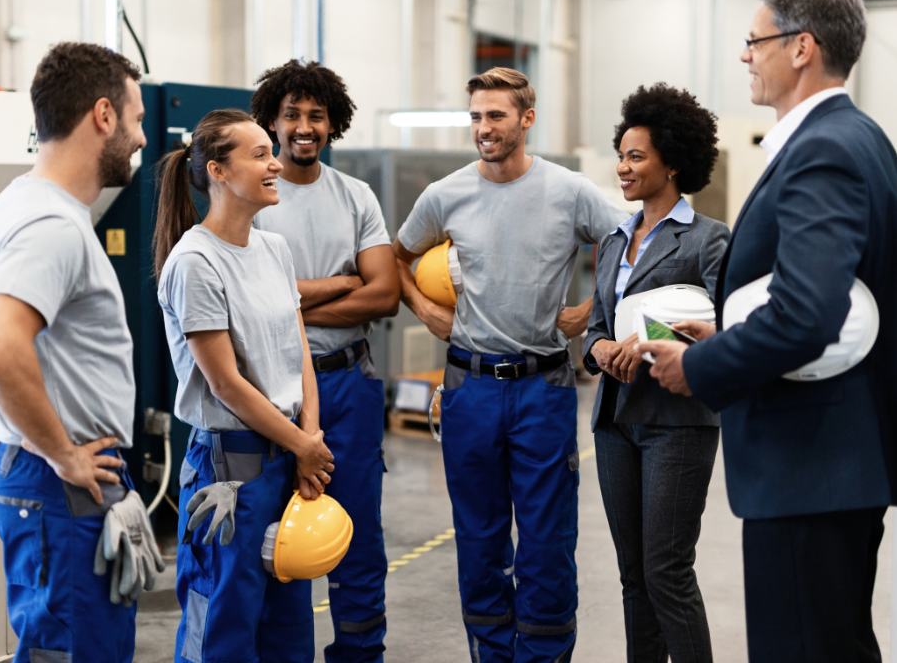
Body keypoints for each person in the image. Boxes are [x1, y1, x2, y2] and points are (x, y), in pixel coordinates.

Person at [640, 0, 897, 663]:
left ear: (802, 47)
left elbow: (808, 314)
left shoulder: (824, 150)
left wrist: (702, 365)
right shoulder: (860, 137)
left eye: (755, 41)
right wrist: (730, 334)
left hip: (809, 465)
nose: (745, 55)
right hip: (835, 462)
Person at [394, 67, 627, 663]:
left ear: (527, 119)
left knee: (547, 542)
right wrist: (423, 307)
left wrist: (590, 312)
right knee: (479, 540)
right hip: (469, 386)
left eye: (495, 115)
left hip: (542, 387)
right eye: (475, 116)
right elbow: (396, 257)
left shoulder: (569, 191)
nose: (483, 128)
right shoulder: (445, 194)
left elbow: (629, 245)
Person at [0, 42, 164, 662]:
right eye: (137, 119)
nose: (142, 137)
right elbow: (3, 344)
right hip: (60, 483)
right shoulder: (53, 226)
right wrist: (63, 454)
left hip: (53, 479)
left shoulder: (25, 204)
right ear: (103, 115)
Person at [153, 109, 335, 663]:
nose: (275, 163)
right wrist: (301, 444)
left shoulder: (274, 249)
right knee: (225, 625)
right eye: (259, 154)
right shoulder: (195, 262)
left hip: (288, 456)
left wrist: (307, 439)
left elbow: (299, 353)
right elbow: (226, 384)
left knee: (288, 626)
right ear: (218, 171)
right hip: (231, 468)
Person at [251, 59, 399, 663]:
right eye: (292, 115)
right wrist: (340, 283)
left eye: (316, 115)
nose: (304, 127)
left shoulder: (355, 196)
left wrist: (288, 298)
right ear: (272, 121)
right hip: (272, 392)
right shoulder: (253, 193)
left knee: (357, 533)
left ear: (333, 123)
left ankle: (360, 654)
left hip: (347, 385)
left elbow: (384, 295)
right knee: (271, 537)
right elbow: (249, 300)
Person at [583, 84, 729, 663]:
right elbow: (595, 330)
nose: (622, 167)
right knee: (633, 575)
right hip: (615, 421)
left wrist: (645, 342)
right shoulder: (613, 240)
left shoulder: (708, 239)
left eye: (636, 156)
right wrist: (602, 350)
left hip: (677, 421)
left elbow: (725, 327)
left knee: (666, 571)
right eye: (620, 156)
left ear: (672, 162)